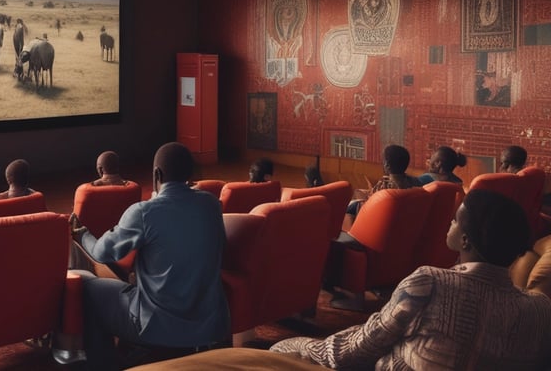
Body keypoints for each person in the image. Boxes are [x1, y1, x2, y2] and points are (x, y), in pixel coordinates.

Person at [270, 189, 551, 369]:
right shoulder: (540, 310)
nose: (449, 223)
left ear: (466, 240)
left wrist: (293, 345)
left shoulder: (430, 283)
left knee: (278, 349)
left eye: (455, 220)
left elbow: (351, 352)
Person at [69, 142, 229, 370]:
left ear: (156, 174)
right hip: (208, 327)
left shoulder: (144, 212)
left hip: (157, 325)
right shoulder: (212, 204)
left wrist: (82, 234)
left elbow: (101, 252)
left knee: (86, 286)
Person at [345, 145, 422, 225]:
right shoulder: (416, 182)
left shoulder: (385, 185)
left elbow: (372, 203)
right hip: (404, 221)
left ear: (387, 165)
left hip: (374, 218)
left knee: (351, 205)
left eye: (383, 161)